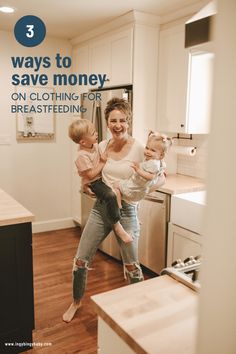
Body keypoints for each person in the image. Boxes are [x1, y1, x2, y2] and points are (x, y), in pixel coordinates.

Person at [63, 98, 165, 323]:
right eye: (113, 120)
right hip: (101, 210)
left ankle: (136, 303)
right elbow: (90, 174)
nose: (117, 125)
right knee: (81, 259)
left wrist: (143, 189)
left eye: (122, 120)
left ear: (128, 121)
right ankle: (76, 301)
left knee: (131, 264)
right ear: (107, 123)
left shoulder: (141, 148)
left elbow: (161, 177)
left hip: (127, 211)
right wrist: (86, 188)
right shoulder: (101, 146)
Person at [68, 119, 132, 243]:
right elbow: (91, 175)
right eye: (93, 133)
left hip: (101, 178)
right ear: (83, 141)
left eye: (95, 131)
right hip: (95, 182)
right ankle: (117, 226)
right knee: (110, 195)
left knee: (116, 190)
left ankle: (122, 218)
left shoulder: (95, 145)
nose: (96, 134)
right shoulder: (81, 156)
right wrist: (102, 162)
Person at [114, 131, 172, 205]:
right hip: (137, 188)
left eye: (152, 150)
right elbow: (146, 168)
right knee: (117, 187)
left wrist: (138, 170)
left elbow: (151, 177)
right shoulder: (152, 161)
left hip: (134, 189)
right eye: (147, 148)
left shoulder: (154, 163)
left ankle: (118, 206)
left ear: (161, 155)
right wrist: (139, 165)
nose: (148, 152)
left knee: (116, 185)